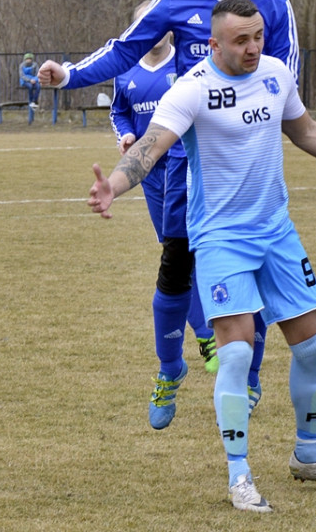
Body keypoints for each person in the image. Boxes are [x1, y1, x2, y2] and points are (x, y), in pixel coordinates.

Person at [87, 0, 316, 512]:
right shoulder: (191, 89)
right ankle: (239, 475)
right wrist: (113, 184)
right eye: (240, 40)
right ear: (214, 43)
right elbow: (149, 147)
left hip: (277, 233)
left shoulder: (274, 74)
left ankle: (309, 454)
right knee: (237, 353)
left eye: (258, 36)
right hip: (220, 239)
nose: (253, 47)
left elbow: (304, 130)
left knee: (313, 347)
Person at [40, 0, 298, 428]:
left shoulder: (274, 5)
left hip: (247, 169)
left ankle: (247, 378)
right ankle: (170, 367)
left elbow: (288, 82)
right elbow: (124, 48)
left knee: (255, 271)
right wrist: (70, 75)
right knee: (177, 263)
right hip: (187, 163)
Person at [109, 26, 219, 374]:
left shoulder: (186, 66)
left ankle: (209, 335)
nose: (154, 32)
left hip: (186, 165)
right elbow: (118, 112)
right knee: (176, 252)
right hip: (151, 173)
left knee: (197, 249)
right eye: (146, 25)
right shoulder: (125, 72)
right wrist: (126, 134)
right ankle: (205, 336)